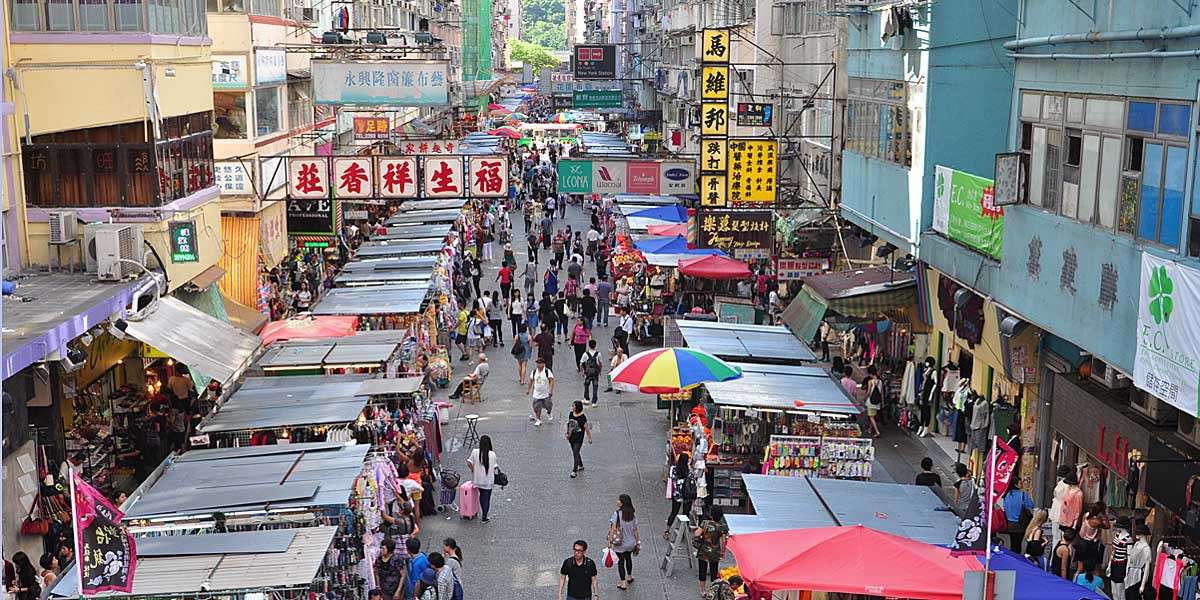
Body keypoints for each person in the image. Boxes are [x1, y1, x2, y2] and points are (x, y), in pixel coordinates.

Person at [694, 507, 729, 595]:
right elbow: (723, 541)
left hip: (703, 551)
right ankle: (712, 591)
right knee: (714, 572)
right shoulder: (722, 527)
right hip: (715, 552)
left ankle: (703, 591)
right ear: (721, 516)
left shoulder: (705, 523)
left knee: (702, 570)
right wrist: (722, 552)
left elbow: (697, 533)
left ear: (711, 515)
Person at [609, 494, 641, 590]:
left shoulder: (617, 514)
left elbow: (613, 529)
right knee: (628, 558)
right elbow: (635, 530)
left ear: (622, 503)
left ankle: (623, 583)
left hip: (620, 544)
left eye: (619, 500)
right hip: (631, 543)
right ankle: (630, 576)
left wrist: (610, 542)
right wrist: (638, 541)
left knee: (620, 562)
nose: (617, 501)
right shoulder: (632, 514)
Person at [466, 435, 498, 522]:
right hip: (488, 481)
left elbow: (469, 462)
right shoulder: (492, 454)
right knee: (486, 498)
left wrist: (473, 470)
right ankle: (484, 516)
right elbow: (495, 467)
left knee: (482, 495)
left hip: (478, 480)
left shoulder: (475, 452)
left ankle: (482, 511)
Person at [665, 453, 696, 537]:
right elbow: (693, 480)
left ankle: (667, 531)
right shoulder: (689, 471)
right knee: (686, 513)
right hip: (687, 495)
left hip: (677, 495)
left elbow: (671, 478)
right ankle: (683, 533)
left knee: (674, 512)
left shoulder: (674, 469)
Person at [1001, 478, 1034, 552]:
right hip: (1020, 523)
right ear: (1016, 484)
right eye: (1020, 483)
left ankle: (1012, 557)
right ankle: (1017, 559)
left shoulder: (1007, 494)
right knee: (1018, 544)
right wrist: (1030, 495)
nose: (1022, 484)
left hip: (1009, 522)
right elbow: (1030, 505)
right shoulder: (1022, 494)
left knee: (1012, 542)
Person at [1124, 523, 1153, 600]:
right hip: (1130, 573)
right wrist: (1126, 574)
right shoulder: (1136, 544)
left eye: (1138, 532)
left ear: (1143, 534)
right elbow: (1130, 560)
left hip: (1138, 575)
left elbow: (1147, 568)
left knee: (1134, 595)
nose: (1136, 534)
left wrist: (1143, 585)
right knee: (1128, 595)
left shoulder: (1146, 549)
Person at [566, 400, 592, 477]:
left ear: (577, 408)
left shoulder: (582, 417)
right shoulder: (571, 414)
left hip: (579, 438)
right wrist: (567, 433)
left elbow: (587, 428)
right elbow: (569, 424)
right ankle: (580, 465)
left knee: (575, 453)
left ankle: (574, 471)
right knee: (575, 452)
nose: (572, 407)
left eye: (573, 406)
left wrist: (589, 438)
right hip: (571, 437)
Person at [528, 358, 556, 426]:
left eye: (540, 363)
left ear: (543, 364)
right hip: (536, 393)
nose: (538, 365)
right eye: (537, 363)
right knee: (536, 407)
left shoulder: (547, 371)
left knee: (548, 405)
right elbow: (531, 380)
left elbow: (552, 380)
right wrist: (528, 389)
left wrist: (551, 391)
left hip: (545, 393)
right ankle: (538, 419)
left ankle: (549, 412)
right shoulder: (534, 371)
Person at [862, 366, 883, 437]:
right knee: (873, 415)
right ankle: (870, 429)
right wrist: (882, 402)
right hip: (877, 401)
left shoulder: (870, 382)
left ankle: (877, 432)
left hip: (871, 401)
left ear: (870, 373)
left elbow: (868, 393)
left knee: (871, 416)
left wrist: (864, 399)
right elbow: (881, 393)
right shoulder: (880, 381)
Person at [580, 339, 602, 406]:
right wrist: (600, 370)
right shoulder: (598, 354)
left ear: (589, 346)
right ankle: (594, 402)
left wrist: (583, 372)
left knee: (586, 385)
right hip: (595, 373)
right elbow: (600, 363)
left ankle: (587, 399)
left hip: (588, 373)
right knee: (595, 386)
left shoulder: (585, 354)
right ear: (595, 346)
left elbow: (581, 364)